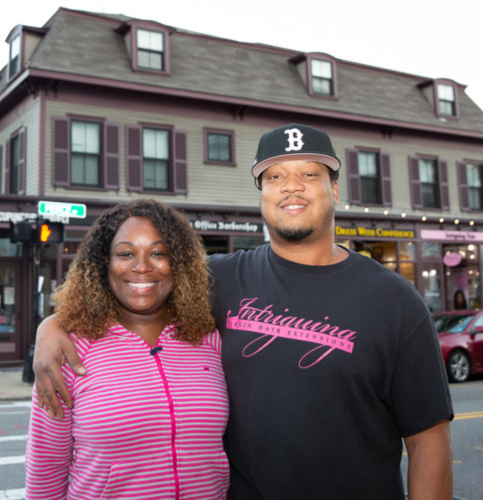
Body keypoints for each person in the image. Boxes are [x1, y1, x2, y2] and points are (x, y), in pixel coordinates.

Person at [33, 124, 453, 499]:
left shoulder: (395, 301)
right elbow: (136, 286)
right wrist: (53, 325)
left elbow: (428, 442)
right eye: (275, 177)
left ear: (335, 189)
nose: (292, 186)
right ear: (262, 194)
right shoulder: (218, 279)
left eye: (310, 174)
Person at [26, 200, 229, 499]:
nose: (142, 266)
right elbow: (46, 471)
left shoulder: (209, 339)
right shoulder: (67, 350)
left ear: (179, 263)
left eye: (158, 253)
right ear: (104, 263)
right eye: (125, 253)